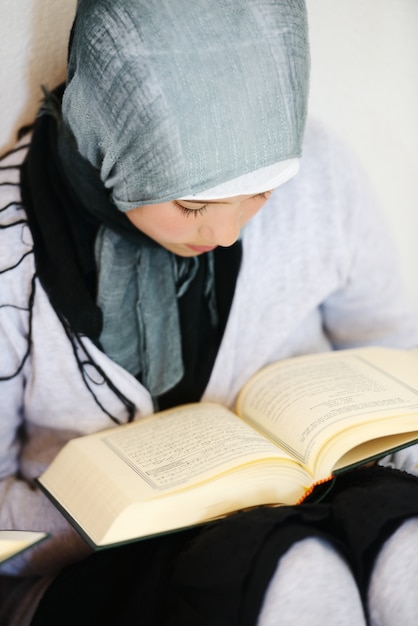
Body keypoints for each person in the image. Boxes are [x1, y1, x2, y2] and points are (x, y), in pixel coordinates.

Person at [1, 0, 418, 624]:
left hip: (322, 497)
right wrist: (110, 508)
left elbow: (395, 353)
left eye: (260, 192)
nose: (224, 233)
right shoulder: (14, 246)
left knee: (406, 547)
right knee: (294, 575)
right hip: (110, 562)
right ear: (111, 137)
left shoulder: (321, 168)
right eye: (193, 205)